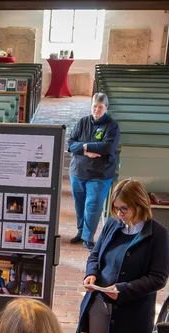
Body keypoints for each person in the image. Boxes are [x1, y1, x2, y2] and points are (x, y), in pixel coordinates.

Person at [76, 179, 169, 333]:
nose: (120, 214)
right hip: (101, 304)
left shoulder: (158, 235)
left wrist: (123, 289)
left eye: (124, 209)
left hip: (132, 310)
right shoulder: (112, 224)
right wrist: (91, 274)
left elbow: (158, 278)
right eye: (116, 209)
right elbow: (95, 255)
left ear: (139, 205)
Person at [67, 93, 120, 249]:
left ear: (106, 108)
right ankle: (80, 231)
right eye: (94, 106)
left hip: (100, 174)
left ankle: (88, 237)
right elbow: (70, 143)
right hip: (78, 171)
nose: (96, 110)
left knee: (93, 206)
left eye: (100, 107)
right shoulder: (83, 122)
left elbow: (108, 147)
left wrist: (83, 145)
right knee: (79, 205)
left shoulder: (112, 126)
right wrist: (85, 150)